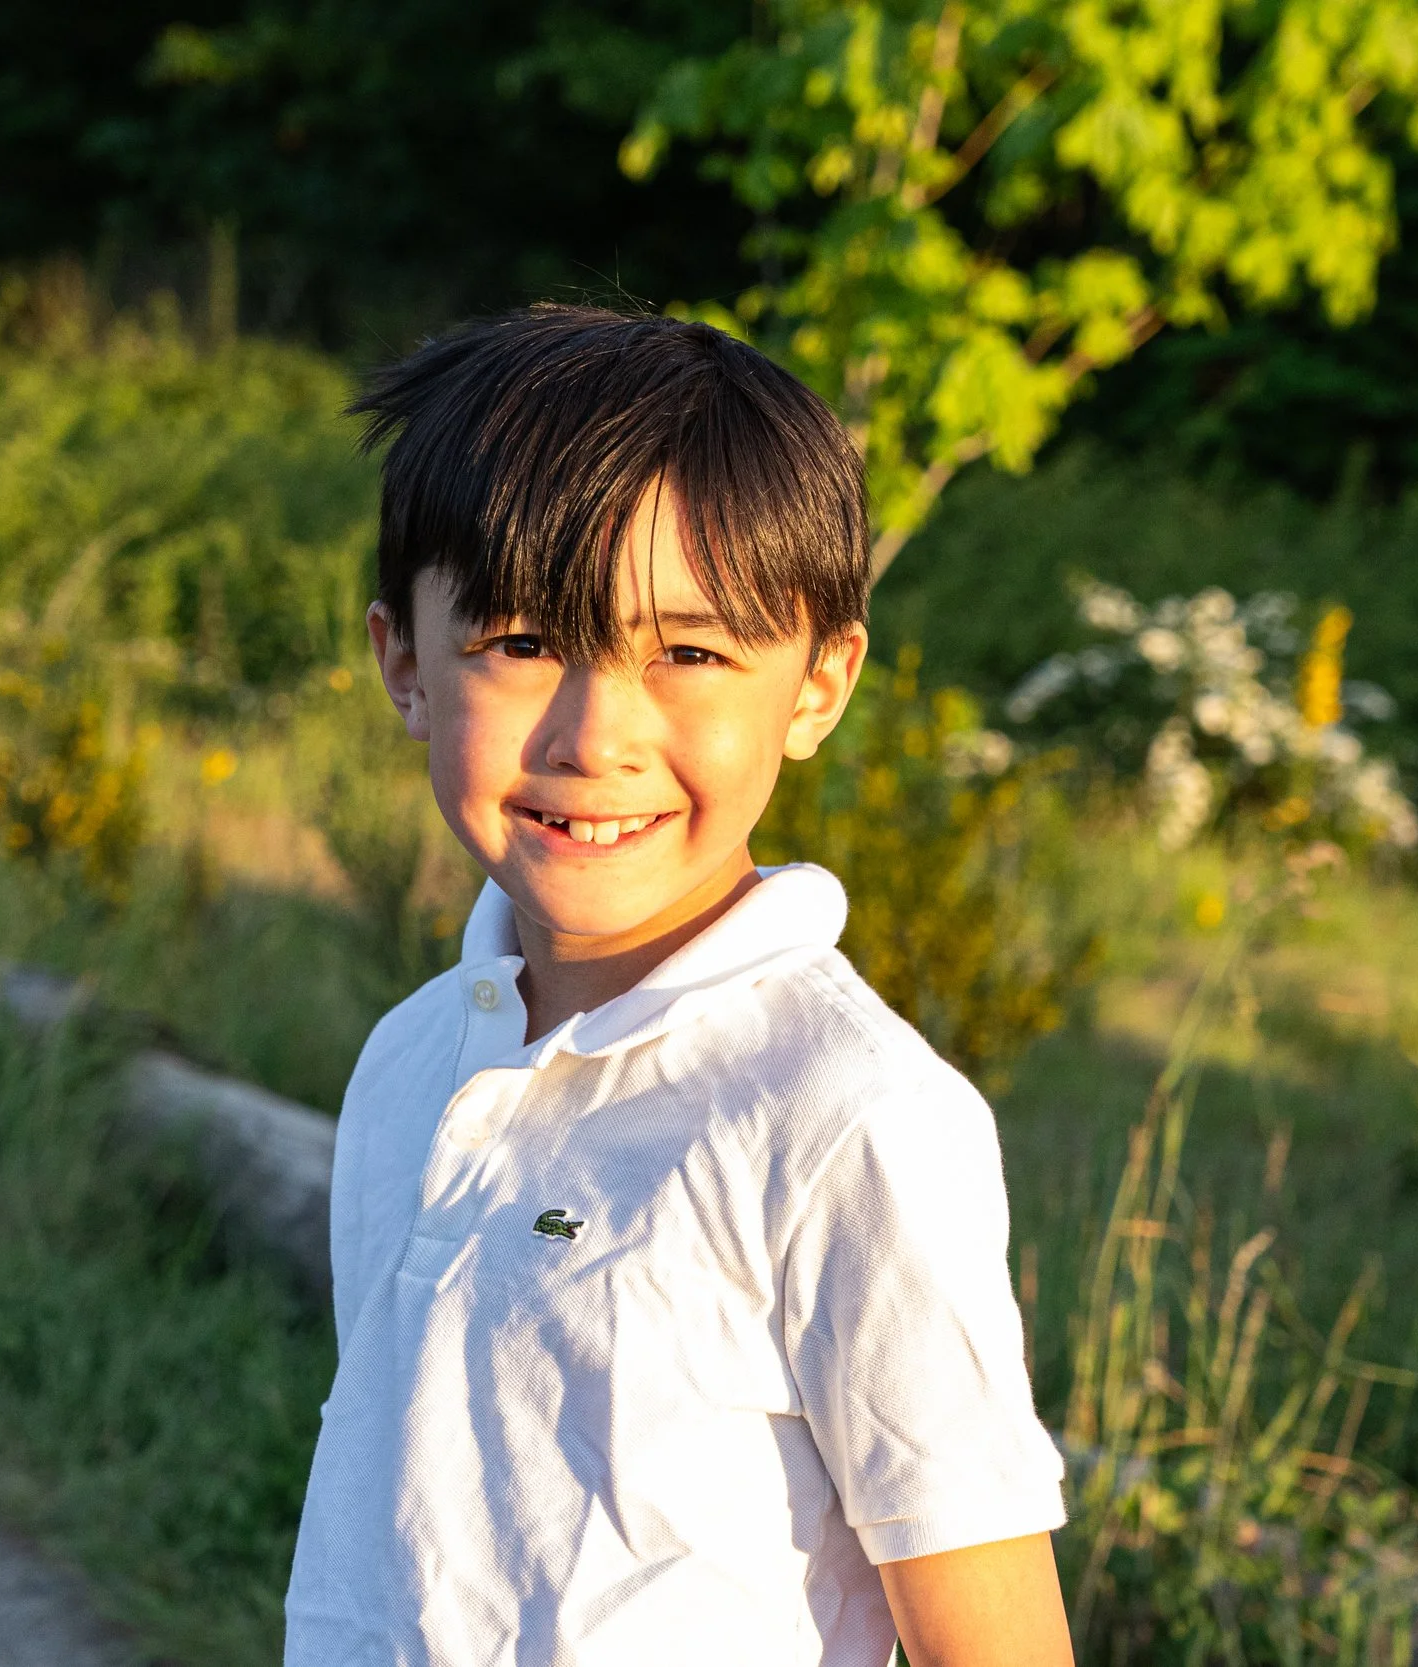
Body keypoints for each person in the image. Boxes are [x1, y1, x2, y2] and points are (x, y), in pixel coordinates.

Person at [283, 305, 1074, 1667]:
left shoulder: (845, 1116)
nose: (598, 737)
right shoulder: (412, 1063)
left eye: (690, 655)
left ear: (821, 683)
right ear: (404, 661)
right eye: (521, 642)